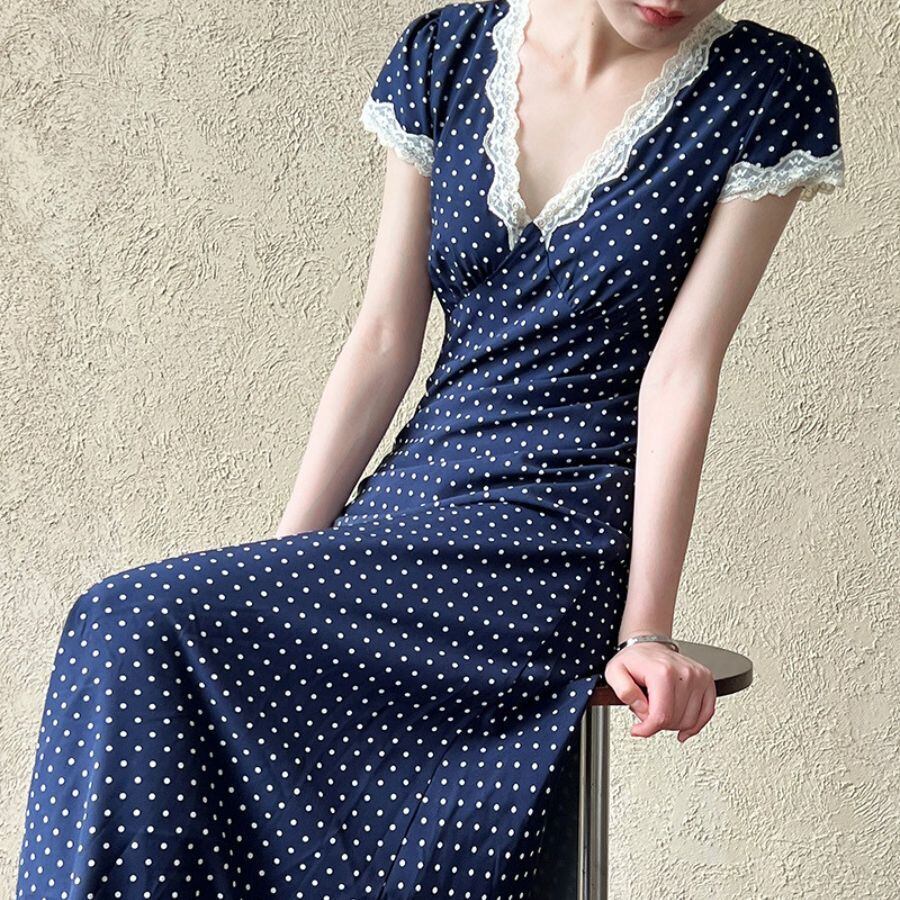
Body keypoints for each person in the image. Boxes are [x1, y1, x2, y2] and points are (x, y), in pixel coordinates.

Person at [15, 0, 845, 897]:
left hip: (556, 536)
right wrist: (291, 557)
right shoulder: (445, 55)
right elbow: (383, 337)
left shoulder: (767, 87)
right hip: (406, 507)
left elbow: (682, 372)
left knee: (125, 621)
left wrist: (644, 630)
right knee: (128, 633)